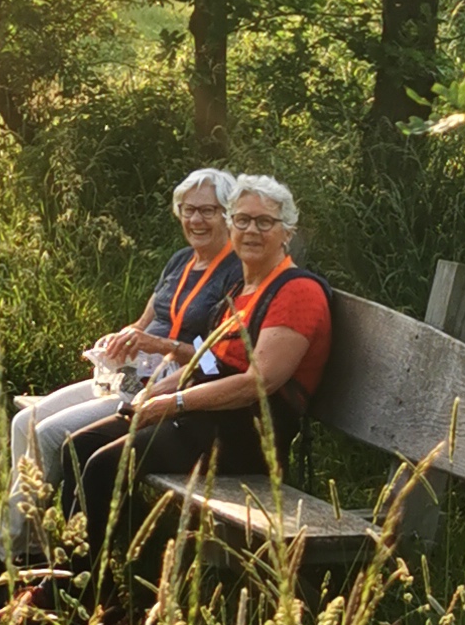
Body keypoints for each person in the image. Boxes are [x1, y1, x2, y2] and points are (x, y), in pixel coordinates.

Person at [63, 175, 334, 603]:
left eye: (264, 222)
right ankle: (112, 579)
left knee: (101, 467)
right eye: (242, 220)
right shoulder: (240, 289)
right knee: (78, 448)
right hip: (204, 418)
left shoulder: (297, 292)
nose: (251, 231)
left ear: (287, 232)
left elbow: (259, 381)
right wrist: (154, 392)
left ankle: (84, 597)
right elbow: (207, 362)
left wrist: (175, 402)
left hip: (245, 436)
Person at [0, 168, 242, 581]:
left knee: (49, 435)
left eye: (208, 211)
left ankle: (5, 558)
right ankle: (29, 546)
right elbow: (145, 322)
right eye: (188, 210)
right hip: (130, 374)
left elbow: (216, 359)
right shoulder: (181, 261)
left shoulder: (235, 272)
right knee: (23, 422)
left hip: (164, 386)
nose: (196, 220)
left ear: (228, 215)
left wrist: (159, 346)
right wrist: (121, 339)